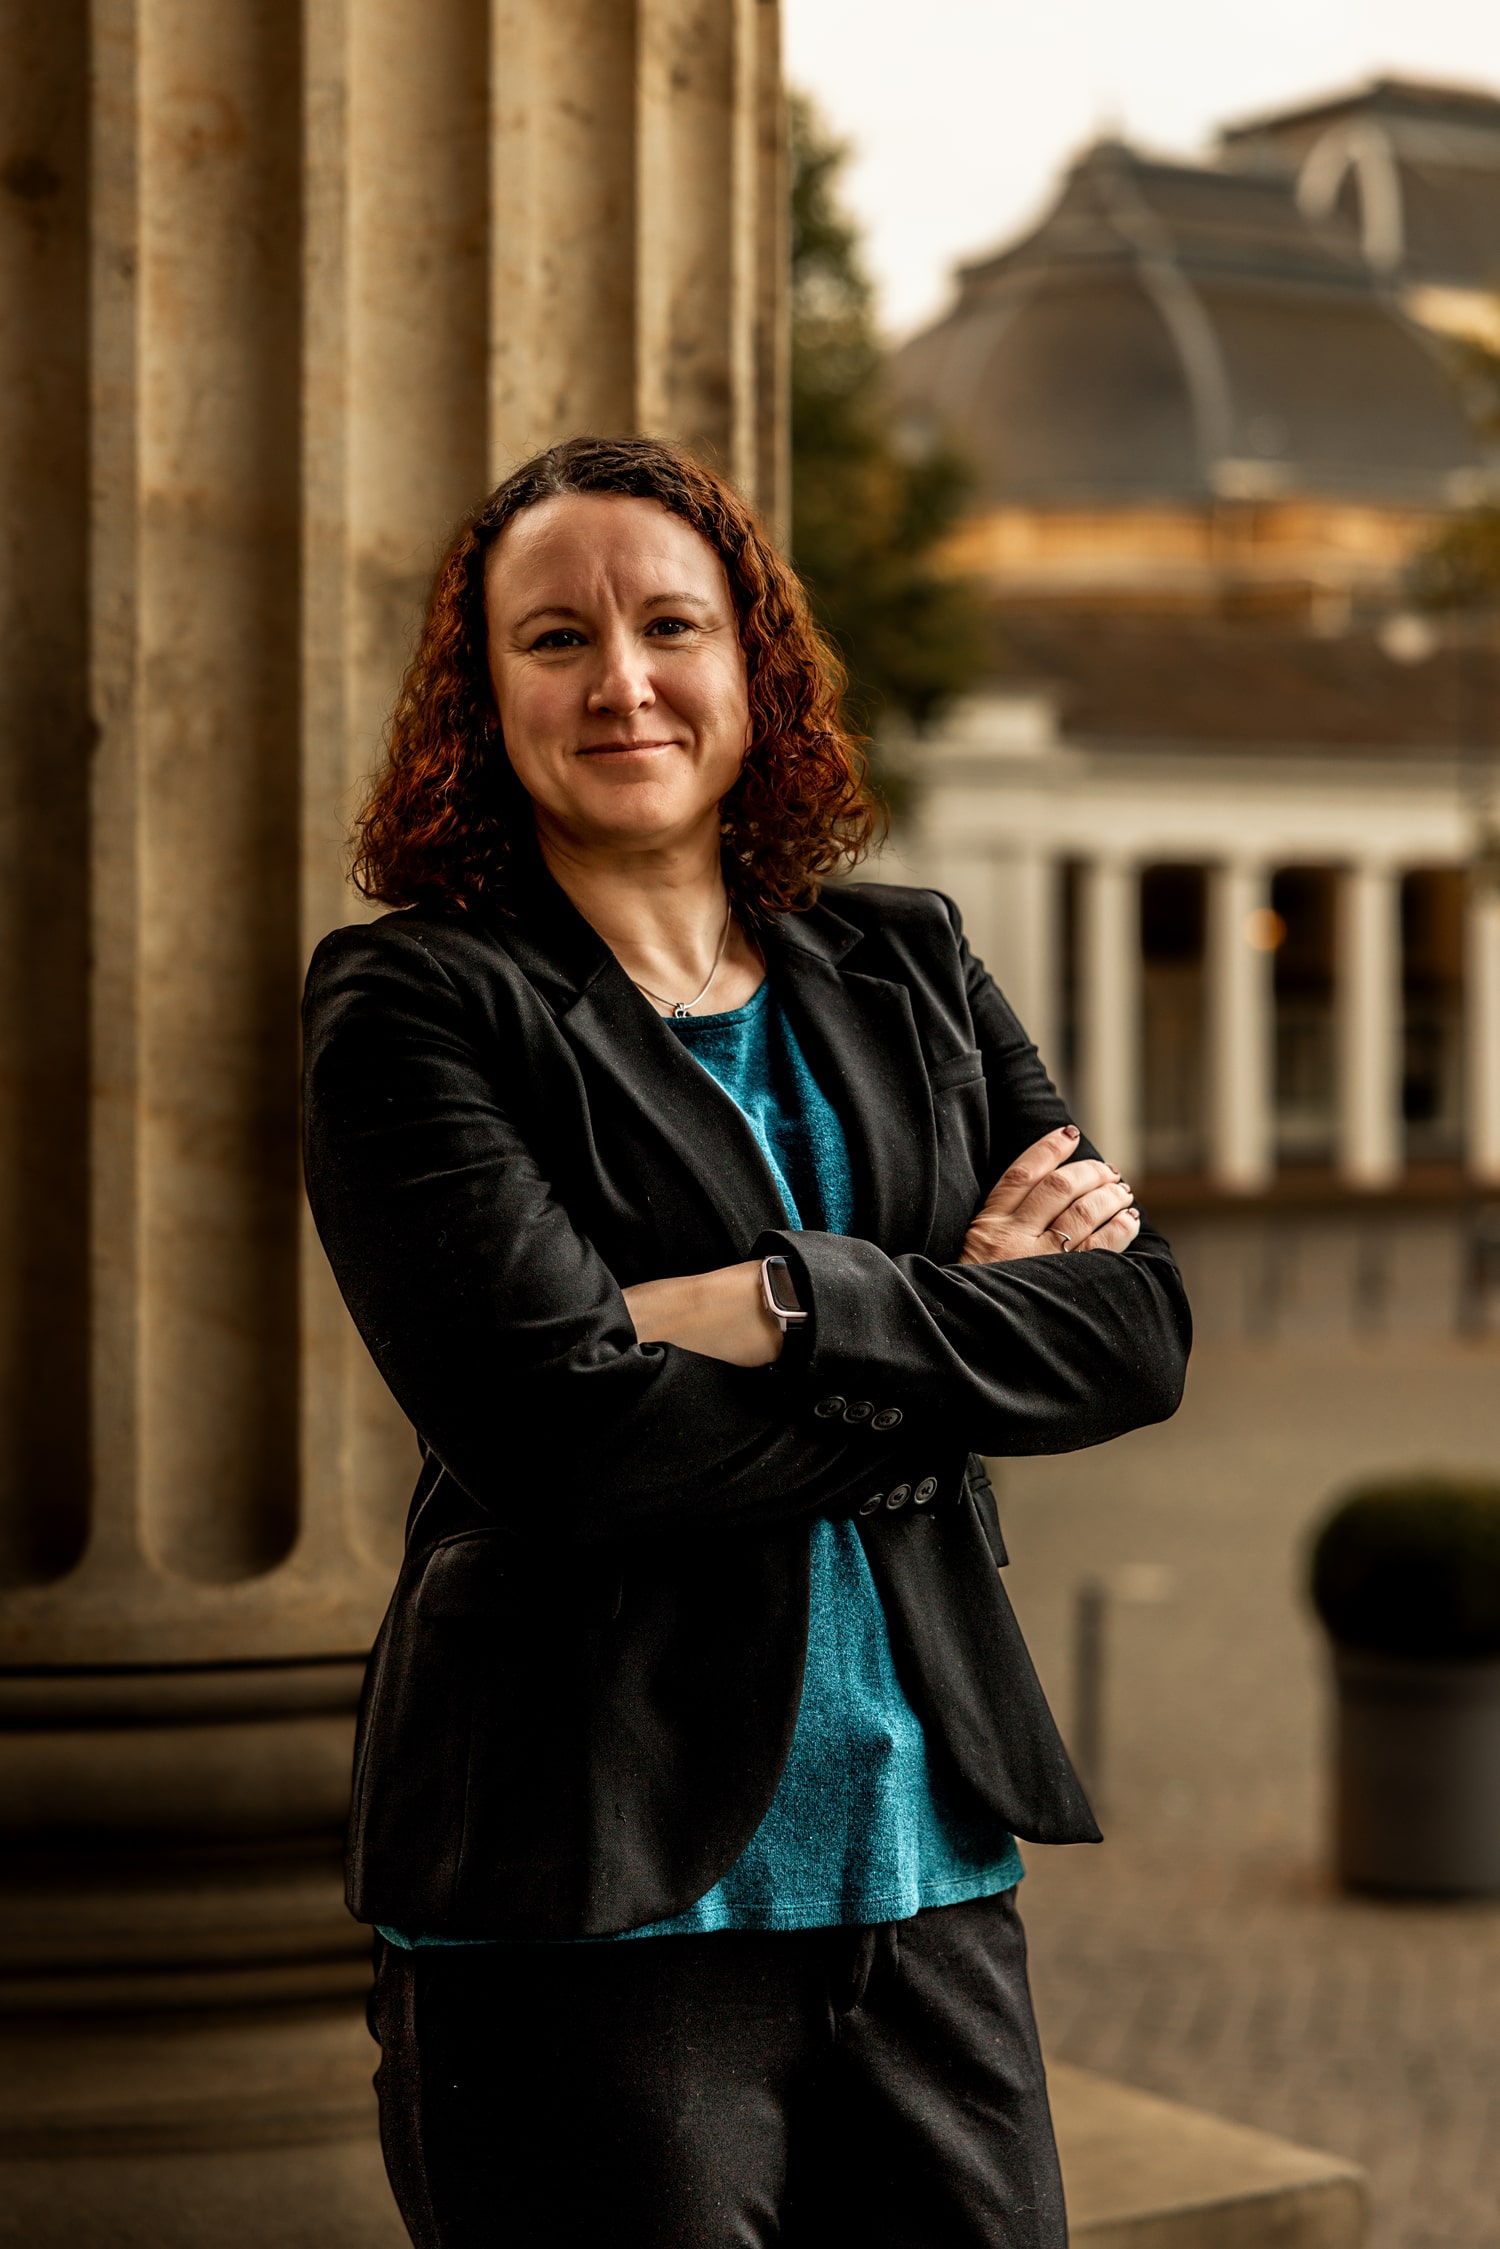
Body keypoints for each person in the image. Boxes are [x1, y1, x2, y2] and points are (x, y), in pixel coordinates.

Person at [302, 434, 1191, 2249]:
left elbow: (1134, 1327)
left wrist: (786, 1300)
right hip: (582, 1890)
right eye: (556, 638)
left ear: (753, 666)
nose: (621, 682)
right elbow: (559, 1440)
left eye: (670, 625)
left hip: (924, 1871)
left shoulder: (909, 962)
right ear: (484, 696)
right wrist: (953, 1319)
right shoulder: (414, 1003)